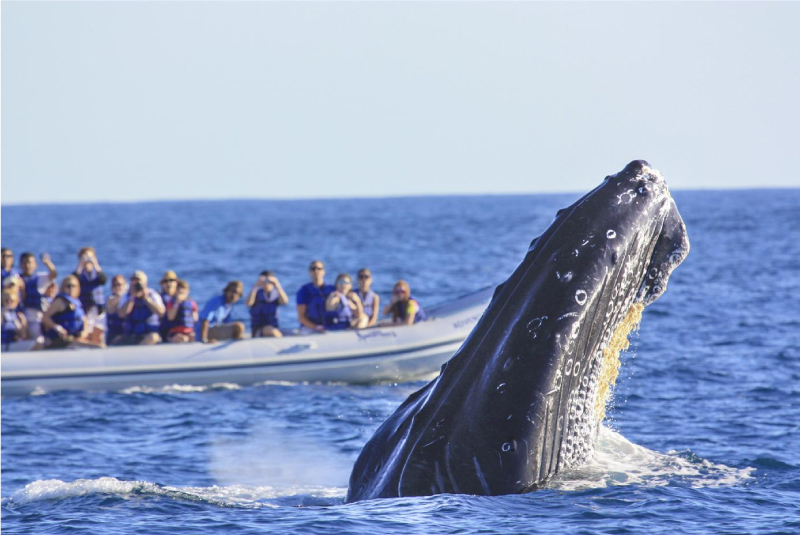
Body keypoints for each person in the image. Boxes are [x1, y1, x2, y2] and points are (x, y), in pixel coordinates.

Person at [41, 275, 103, 349]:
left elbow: (84, 320)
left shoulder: (77, 302)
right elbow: (45, 318)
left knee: (99, 340)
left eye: (74, 286)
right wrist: (58, 328)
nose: (71, 288)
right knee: (99, 347)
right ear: (63, 287)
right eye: (68, 286)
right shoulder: (60, 301)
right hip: (64, 340)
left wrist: (84, 332)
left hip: (77, 337)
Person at [115, 270, 165, 345]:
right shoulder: (126, 296)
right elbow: (121, 314)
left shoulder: (153, 295)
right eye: (133, 281)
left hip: (149, 333)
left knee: (153, 337)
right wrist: (132, 298)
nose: (136, 284)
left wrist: (147, 299)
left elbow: (161, 313)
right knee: (116, 341)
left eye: (138, 281)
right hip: (132, 334)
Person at [19, 252, 58, 338]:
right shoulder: (16, 279)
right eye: (24, 263)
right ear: (20, 265)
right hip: (21, 316)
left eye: (29, 262)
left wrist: (48, 263)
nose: (27, 265)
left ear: (35, 265)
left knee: (39, 339)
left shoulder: (39, 278)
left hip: (36, 318)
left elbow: (53, 274)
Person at [74, 247, 107, 345]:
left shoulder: (97, 274)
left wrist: (95, 263)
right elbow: (74, 279)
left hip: (98, 309)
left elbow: (103, 279)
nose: (87, 260)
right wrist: (80, 264)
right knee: (86, 333)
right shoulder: (79, 274)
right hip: (85, 308)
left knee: (99, 334)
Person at [296, 260, 336, 333]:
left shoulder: (332, 289)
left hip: (330, 326)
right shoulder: (304, 291)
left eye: (319, 269)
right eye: (313, 269)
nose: (316, 271)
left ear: (324, 272)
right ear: (309, 272)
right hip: (310, 328)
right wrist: (317, 327)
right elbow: (301, 317)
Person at [247, 271, 289, 338]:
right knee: (270, 330)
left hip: (274, 327)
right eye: (264, 282)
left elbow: (285, 302)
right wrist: (255, 286)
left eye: (269, 282)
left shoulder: (276, 294)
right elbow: (248, 303)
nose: (266, 284)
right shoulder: (256, 294)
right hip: (258, 330)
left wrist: (277, 285)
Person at [105, 275, 127, 345]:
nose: (117, 287)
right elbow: (111, 307)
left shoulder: (129, 298)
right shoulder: (110, 299)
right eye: (114, 285)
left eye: (119, 285)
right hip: (114, 335)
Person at [158, 270, 179, 341]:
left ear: (176, 282)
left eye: (171, 280)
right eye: (165, 281)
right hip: (164, 330)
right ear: (162, 284)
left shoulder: (183, 298)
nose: (168, 283)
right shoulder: (158, 298)